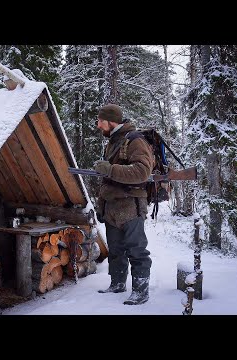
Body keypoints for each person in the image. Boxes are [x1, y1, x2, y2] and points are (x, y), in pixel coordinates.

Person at [94, 104, 153, 305]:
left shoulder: (135, 140)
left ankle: (141, 291)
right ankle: (117, 283)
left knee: (136, 250)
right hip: (112, 205)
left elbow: (142, 171)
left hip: (130, 206)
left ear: (111, 121)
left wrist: (110, 169)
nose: (98, 125)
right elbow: (108, 178)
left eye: (101, 121)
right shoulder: (112, 141)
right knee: (116, 249)